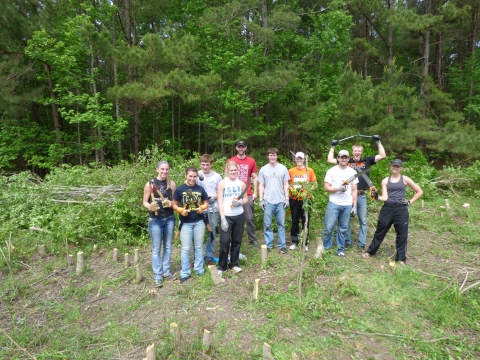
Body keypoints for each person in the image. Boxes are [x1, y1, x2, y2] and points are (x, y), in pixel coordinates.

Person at [327, 135, 386, 249]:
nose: (357, 152)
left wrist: (378, 142)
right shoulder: (346, 161)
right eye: (355, 150)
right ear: (352, 152)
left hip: (362, 195)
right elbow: (330, 159)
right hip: (348, 195)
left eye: (359, 151)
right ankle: (347, 241)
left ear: (361, 152)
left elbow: (382, 155)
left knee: (363, 220)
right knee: (346, 219)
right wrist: (333, 147)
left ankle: (361, 243)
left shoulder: (367, 160)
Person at [362, 159, 423, 264]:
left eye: (398, 166)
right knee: (380, 231)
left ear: (401, 168)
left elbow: (419, 191)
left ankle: (401, 259)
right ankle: (370, 252)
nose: (395, 168)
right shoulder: (385, 180)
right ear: (390, 167)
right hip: (387, 209)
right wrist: (376, 196)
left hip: (401, 209)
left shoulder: (405, 179)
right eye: (394, 166)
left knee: (402, 234)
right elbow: (385, 198)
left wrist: (409, 202)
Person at [143, 161, 177, 287]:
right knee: (156, 248)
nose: (164, 172)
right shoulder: (150, 184)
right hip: (155, 220)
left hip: (169, 218)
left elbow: (176, 201)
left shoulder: (171, 184)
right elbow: (145, 202)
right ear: (157, 169)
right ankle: (158, 274)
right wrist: (150, 207)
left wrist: (171, 203)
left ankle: (166, 272)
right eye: (162, 169)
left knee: (168, 246)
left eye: (166, 169)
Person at [172, 167, 209, 284]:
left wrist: (202, 208)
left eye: (194, 176)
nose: (192, 179)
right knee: (186, 248)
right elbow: (174, 204)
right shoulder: (180, 189)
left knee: (198, 246)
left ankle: (199, 269)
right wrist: (180, 210)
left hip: (199, 222)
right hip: (185, 223)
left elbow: (206, 202)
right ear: (186, 176)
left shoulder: (200, 189)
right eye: (190, 176)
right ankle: (185, 272)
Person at [322, 150, 358, 258]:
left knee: (343, 228)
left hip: (347, 205)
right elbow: (326, 188)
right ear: (338, 158)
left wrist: (354, 206)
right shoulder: (331, 171)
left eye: (346, 157)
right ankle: (326, 247)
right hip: (334, 203)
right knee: (329, 227)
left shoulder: (352, 172)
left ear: (348, 159)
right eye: (342, 157)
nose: (344, 159)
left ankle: (340, 249)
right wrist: (338, 188)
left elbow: (354, 189)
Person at [217, 161, 248, 275]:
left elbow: (245, 199)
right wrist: (223, 218)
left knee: (236, 240)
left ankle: (234, 264)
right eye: (231, 170)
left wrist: (240, 203)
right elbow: (219, 201)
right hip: (227, 216)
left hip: (239, 216)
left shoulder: (241, 184)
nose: (233, 172)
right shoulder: (222, 183)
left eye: (235, 170)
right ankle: (222, 266)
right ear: (227, 171)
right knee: (225, 241)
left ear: (237, 171)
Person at [258, 148, 290, 253]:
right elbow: (261, 185)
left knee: (281, 224)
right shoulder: (263, 169)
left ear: (277, 156)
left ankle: (282, 245)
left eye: (274, 155)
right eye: (270, 155)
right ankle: (269, 245)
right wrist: (261, 200)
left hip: (280, 201)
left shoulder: (283, 168)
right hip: (268, 201)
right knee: (267, 224)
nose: (272, 157)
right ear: (268, 156)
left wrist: (286, 198)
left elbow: (286, 184)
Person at [228, 140, 260, 247]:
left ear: (245, 148)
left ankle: (252, 239)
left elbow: (255, 177)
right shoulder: (231, 160)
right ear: (236, 148)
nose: (241, 148)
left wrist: (255, 192)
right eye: (239, 147)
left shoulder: (251, 161)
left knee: (249, 218)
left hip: (248, 193)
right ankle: (234, 239)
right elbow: (226, 177)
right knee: (233, 218)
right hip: (234, 194)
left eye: (243, 147)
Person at [288, 152, 317, 251]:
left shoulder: (309, 170)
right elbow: (287, 183)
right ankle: (294, 241)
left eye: (301, 158)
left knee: (305, 221)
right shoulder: (291, 171)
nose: (299, 160)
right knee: (294, 220)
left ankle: (305, 242)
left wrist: (308, 191)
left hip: (305, 199)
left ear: (304, 159)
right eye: (297, 158)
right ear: (295, 159)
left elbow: (315, 184)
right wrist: (291, 189)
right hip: (294, 199)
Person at [197, 154, 222, 264]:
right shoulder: (196, 175)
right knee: (199, 234)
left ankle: (209, 256)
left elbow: (221, 191)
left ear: (211, 164)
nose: (205, 167)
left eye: (207, 165)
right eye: (203, 165)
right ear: (200, 164)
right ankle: (199, 257)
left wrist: (215, 197)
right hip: (200, 209)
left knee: (211, 233)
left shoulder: (216, 176)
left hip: (213, 209)